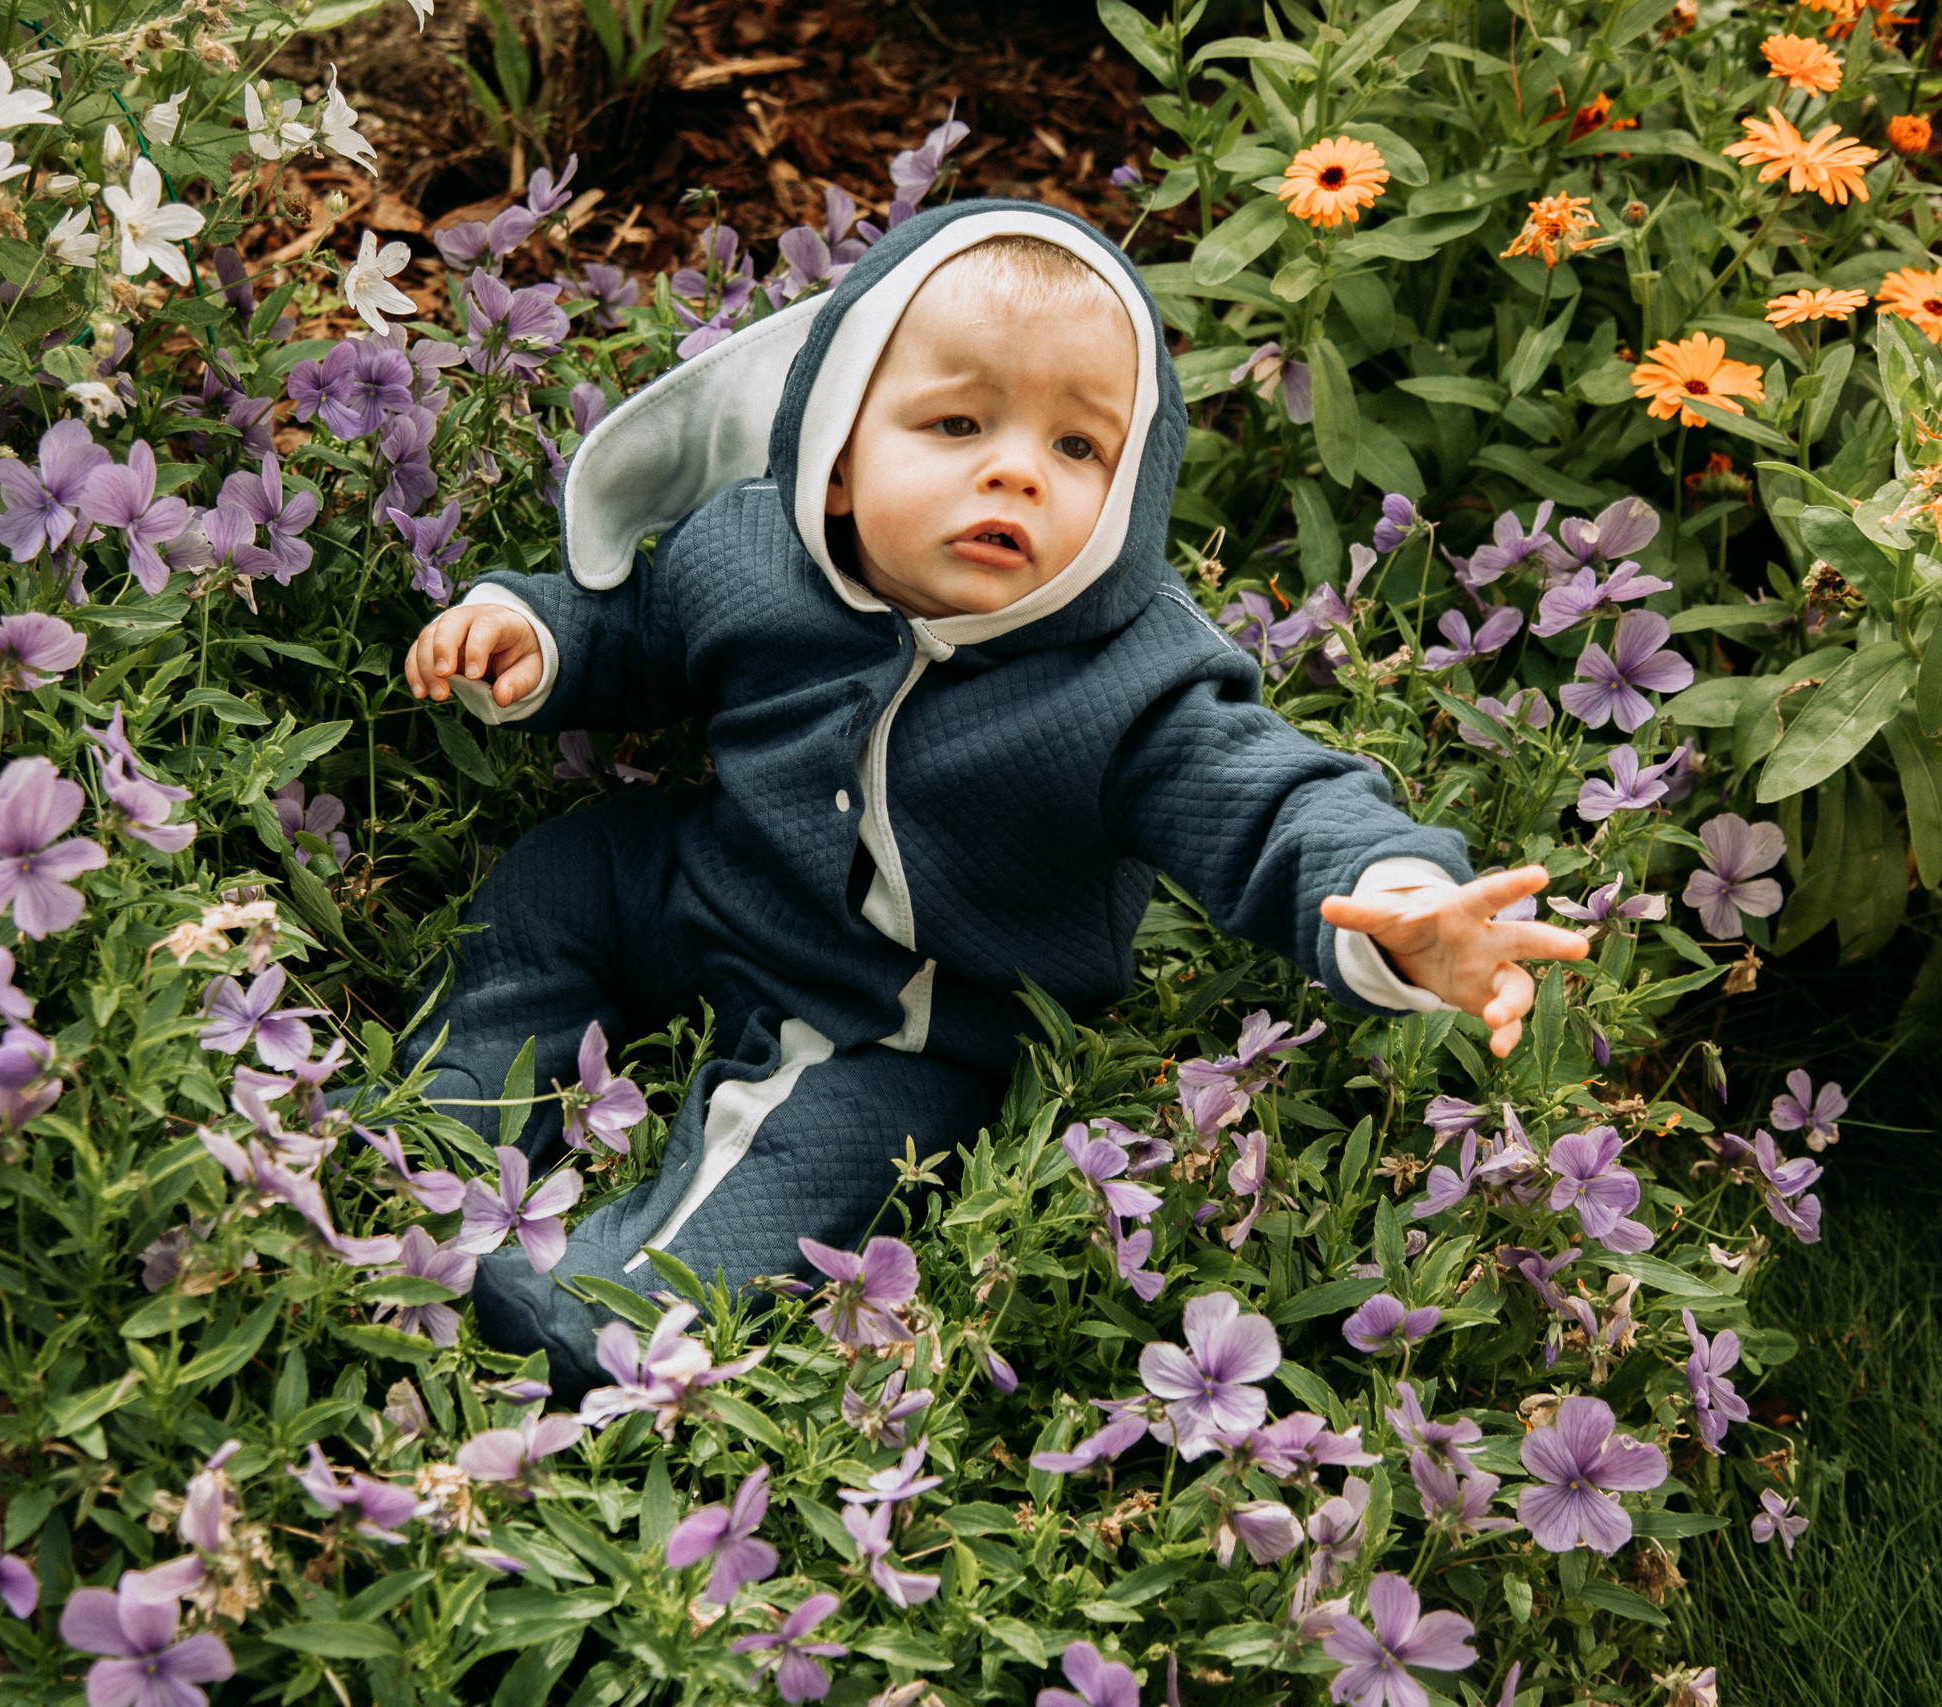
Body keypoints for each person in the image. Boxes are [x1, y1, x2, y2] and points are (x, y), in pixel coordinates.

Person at [398, 200, 1587, 1393]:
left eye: (1078, 450)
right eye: (957, 421)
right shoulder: (750, 549)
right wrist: (532, 637)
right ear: (839, 458)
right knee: (558, 879)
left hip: (903, 1009)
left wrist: (1392, 894)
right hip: (704, 876)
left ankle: (614, 1317)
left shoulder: (1134, 683)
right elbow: (639, 632)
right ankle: (445, 1131)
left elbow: (1269, 797)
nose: (1015, 468)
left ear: (1131, 495)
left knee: (808, 1155)